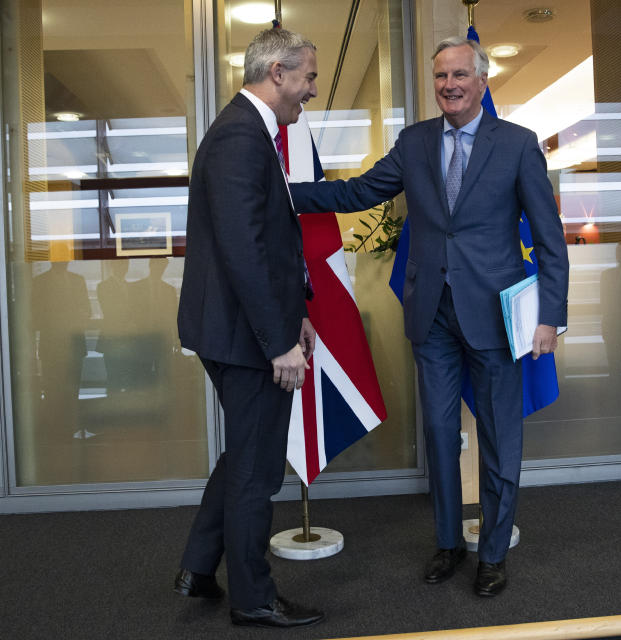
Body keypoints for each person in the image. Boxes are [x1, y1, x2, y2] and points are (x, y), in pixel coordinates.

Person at [290, 36, 569, 597]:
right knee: (441, 435)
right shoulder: (415, 142)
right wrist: (285, 193)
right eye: (441, 76)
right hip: (432, 314)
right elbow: (363, 190)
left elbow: (549, 235)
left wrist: (550, 317)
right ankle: (446, 542)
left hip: (496, 315)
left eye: (460, 75)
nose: (450, 85)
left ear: (482, 80)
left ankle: (492, 552)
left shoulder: (517, 145)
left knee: (498, 437)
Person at [173, 28, 325, 628]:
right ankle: (254, 599)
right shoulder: (241, 135)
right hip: (245, 338)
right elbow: (244, 251)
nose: (311, 90)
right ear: (278, 72)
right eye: (308, 77)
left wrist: (299, 314)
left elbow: (272, 245)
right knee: (258, 471)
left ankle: (198, 567)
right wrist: (279, 342)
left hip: (242, 329)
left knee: (244, 454)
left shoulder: (251, 131)